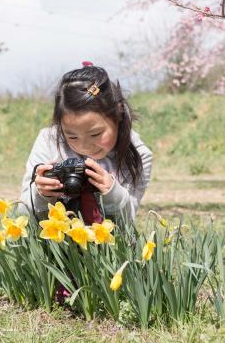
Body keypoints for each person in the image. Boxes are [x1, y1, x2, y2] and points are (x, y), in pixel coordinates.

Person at [19, 63, 152, 225]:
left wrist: (113, 192)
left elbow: (127, 221)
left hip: (107, 246)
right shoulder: (49, 141)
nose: (85, 146)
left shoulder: (137, 154)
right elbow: (23, 213)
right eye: (72, 136)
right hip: (55, 245)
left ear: (118, 113)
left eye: (95, 134)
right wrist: (40, 194)